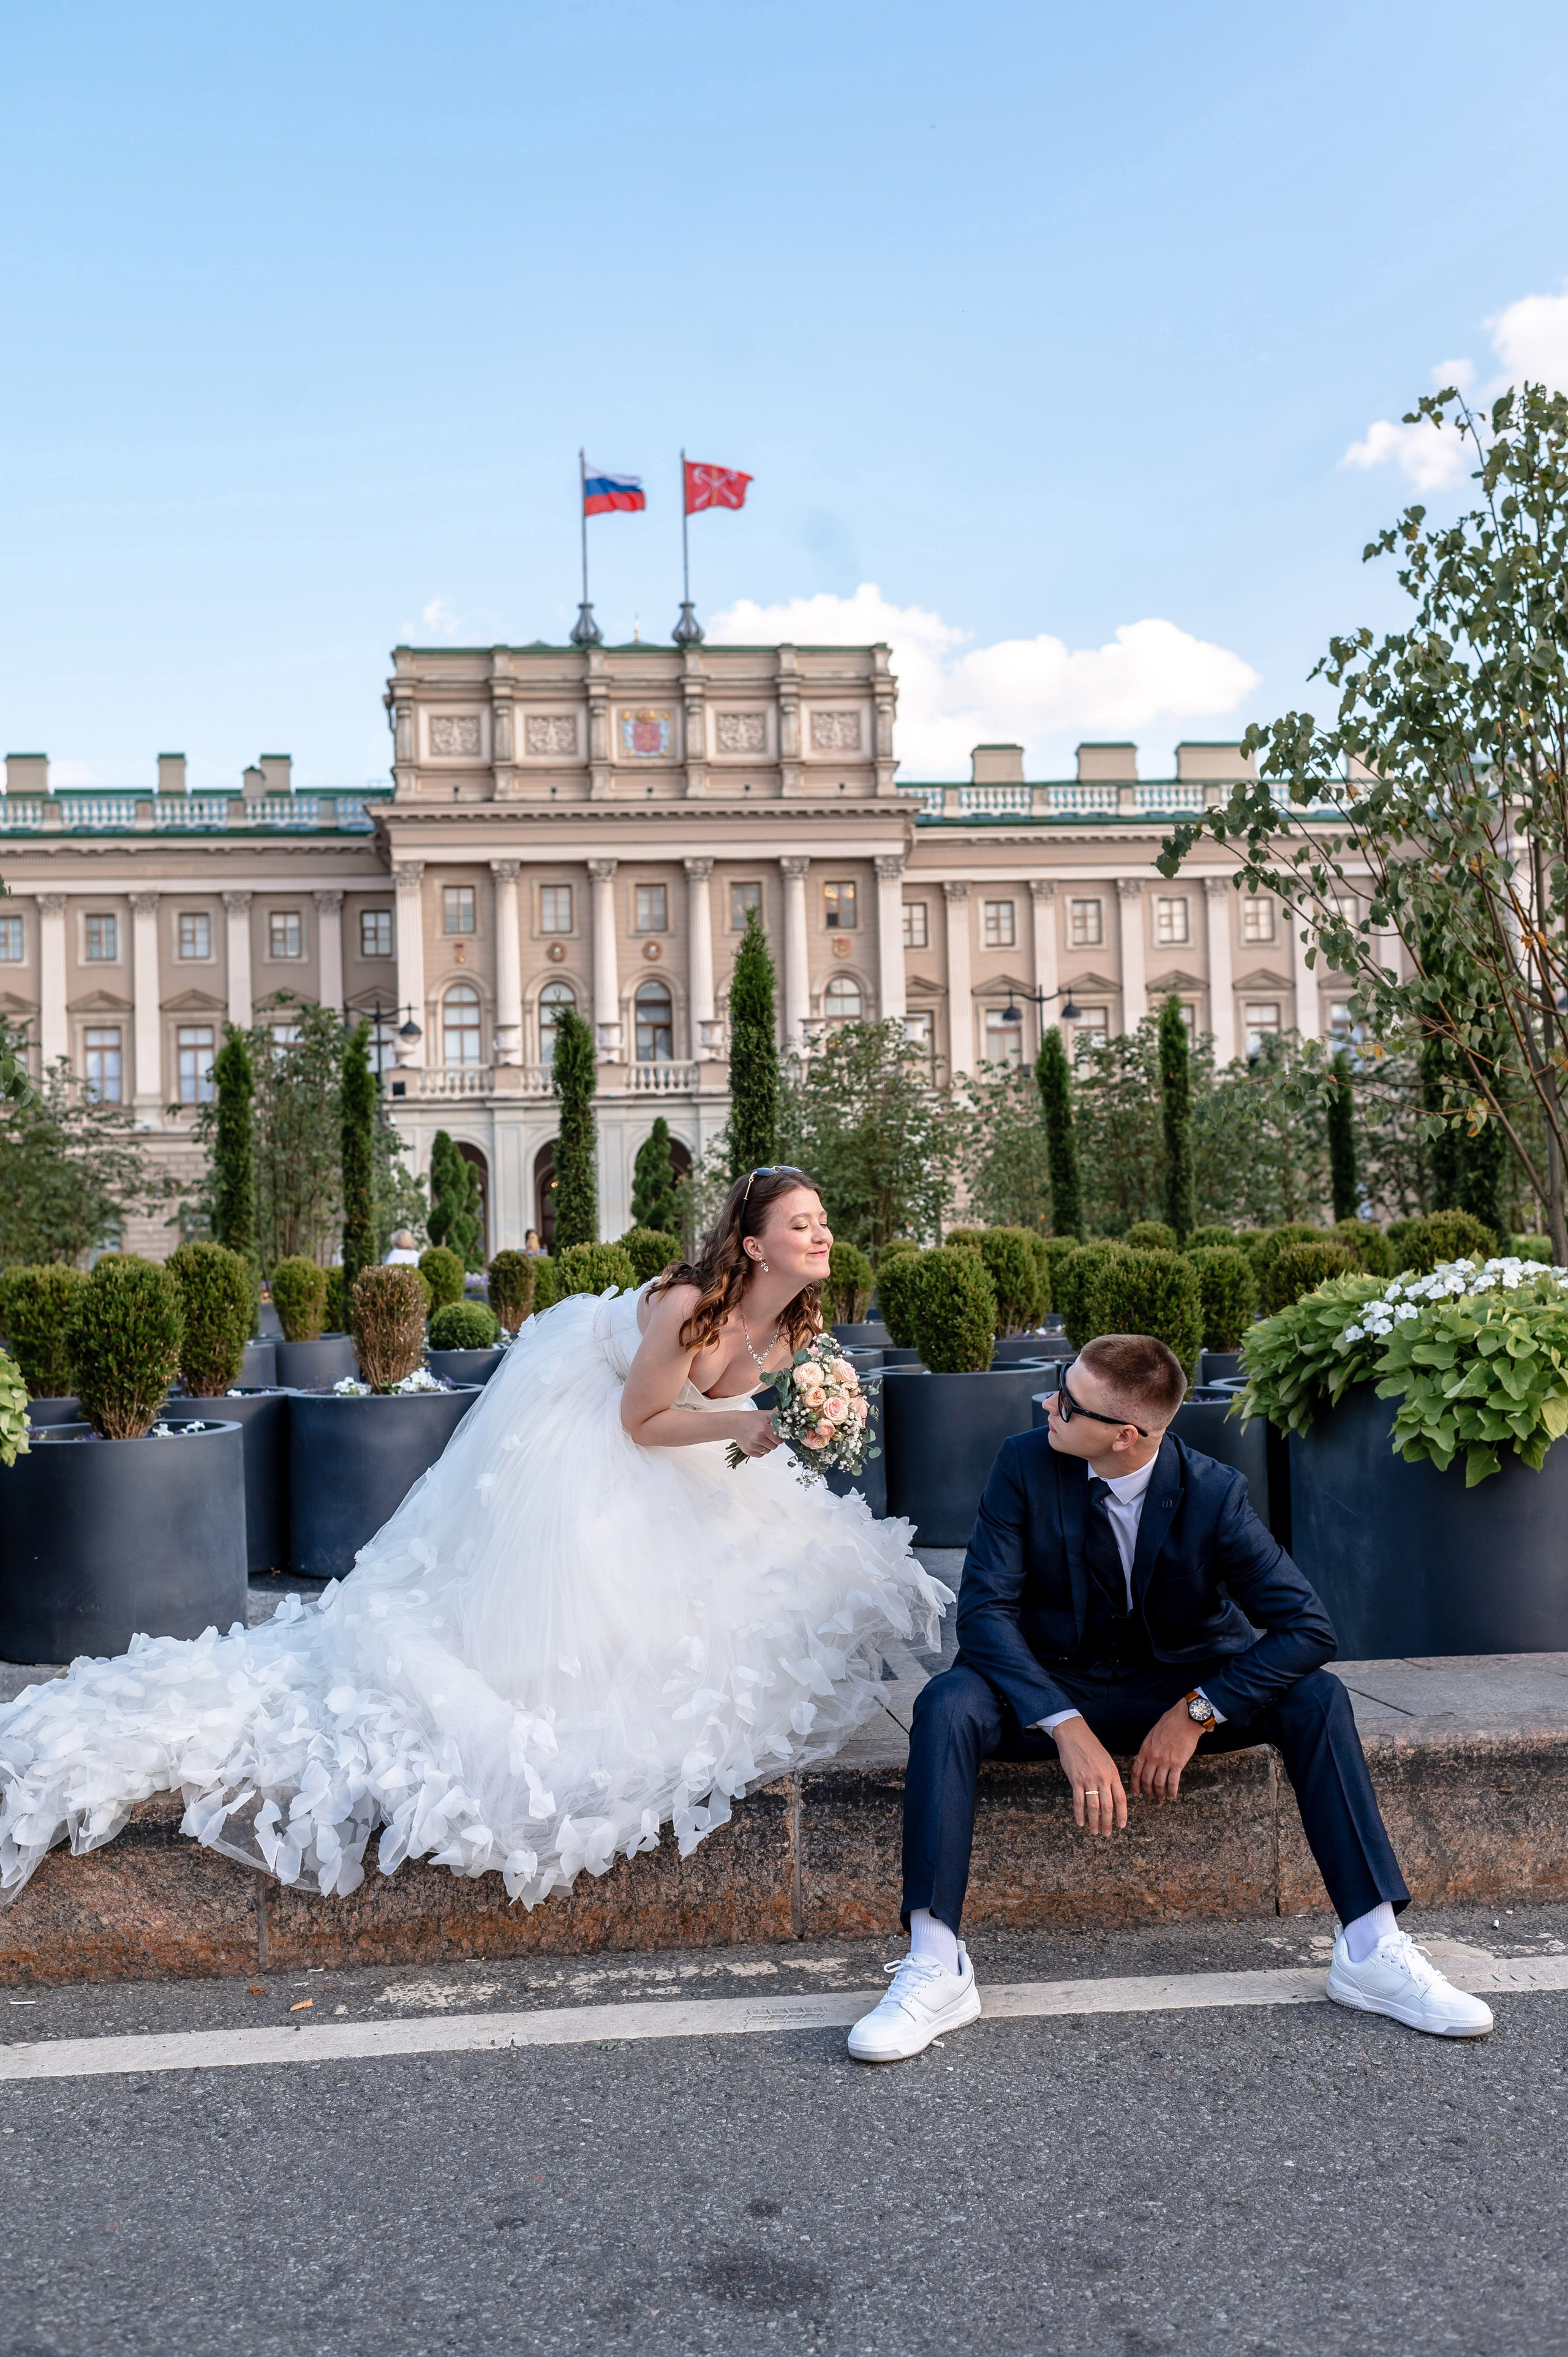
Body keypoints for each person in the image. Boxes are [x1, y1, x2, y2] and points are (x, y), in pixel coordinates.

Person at [0, 1171, 947, 1906]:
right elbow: (643, 1421)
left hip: (688, 1430)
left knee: (772, 1567)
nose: (821, 1235)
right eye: (801, 1223)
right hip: (596, 1421)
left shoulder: (795, 1322)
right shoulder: (684, 1304)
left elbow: (733, 1404)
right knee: (573, 1601)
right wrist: (742, 1426)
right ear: (752, 1242)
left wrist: (802, 1415)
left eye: (822, 1223)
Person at [848, 1330, 1492, 2063]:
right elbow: (984, 1614)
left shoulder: (1212, 1491)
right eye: (1061, 1380)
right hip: (1051, 1683)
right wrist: (1064, 1724)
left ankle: (1371, 1946)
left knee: (1317, 1698)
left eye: (1068, 1396)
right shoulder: (1022, 1463)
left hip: (1176, 1687)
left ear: (1126, 1436)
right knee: (945, 1702)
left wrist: (1198, 1710)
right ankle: (936, 1962)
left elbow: (1307, 1626)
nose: (1048, 1401)